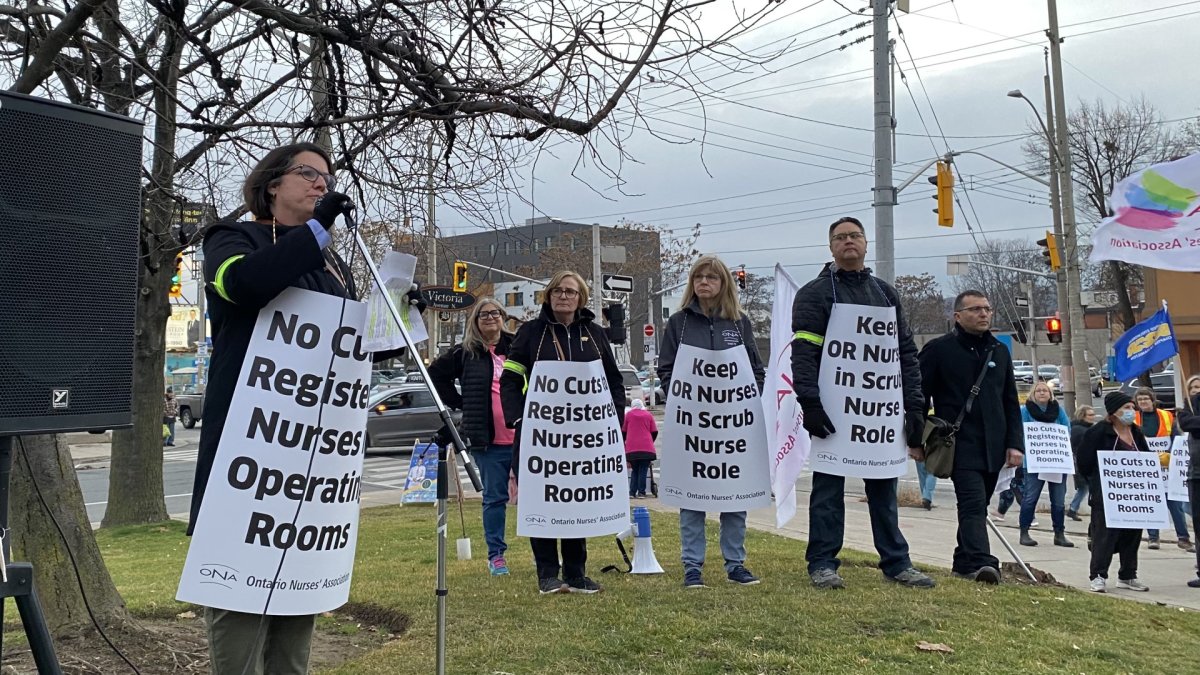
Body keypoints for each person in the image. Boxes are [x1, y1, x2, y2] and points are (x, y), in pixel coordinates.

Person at [192, 142, 423, 674]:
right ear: (273, 184)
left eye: (327, 177)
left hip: (312, 458)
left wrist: (405, 313)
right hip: (250, 451)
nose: (322, 184)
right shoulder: (232, 238)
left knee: (299, 603)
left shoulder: (333, 264)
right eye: (308, 174)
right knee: (241, 601)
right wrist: (316, 231)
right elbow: (245, 286)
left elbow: (354, 343)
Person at [791, 218, 934, 590]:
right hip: (834, 412)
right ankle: (822, 562)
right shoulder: (814, 293)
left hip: (879, 413)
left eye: (854, 236)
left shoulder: (885, 293)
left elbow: (905, 354)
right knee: (827, 492)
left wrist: (915, 408)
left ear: (866, 244)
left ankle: (897, 563)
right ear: (831, 248)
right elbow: (804, 354)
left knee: (884, 490)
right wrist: (811, 404)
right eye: (840, 238)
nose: (848, 242)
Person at [499, 270, 626, 595]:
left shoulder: (595, 334)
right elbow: (511, 379)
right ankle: (547, 574)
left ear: (580, 297)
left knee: (574, 502)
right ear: (549, 296)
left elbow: (613, 381)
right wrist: (517, 419)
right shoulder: (529, 333)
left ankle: (576, 572)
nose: (563, 296)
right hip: (541, 437)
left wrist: (614, 422)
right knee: (543, 500)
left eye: (570, 291)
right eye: (557, 290)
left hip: (584, 439)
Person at [659, 256, 765, 589]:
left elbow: (754, 370)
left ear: (723, 284)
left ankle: (735, 564)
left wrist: (747, 399)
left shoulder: (739, 323)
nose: (704, 282)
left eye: (712, 277)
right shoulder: (679, 322)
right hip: (693, 426)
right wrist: (678, 397)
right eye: (698, 277)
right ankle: (692, 566)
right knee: (692, 498)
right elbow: (667, 369)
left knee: (735, 494)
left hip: (732, 427)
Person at [919, 290, 1023, 585]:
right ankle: (982, 563)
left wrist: (1015, 444)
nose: (983, 314)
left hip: (995, 445)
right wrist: (915, 438)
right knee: (973, 504)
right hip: (958, 443)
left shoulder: (998, 351)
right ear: (958, 316)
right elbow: (918, 395)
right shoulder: (939, 349)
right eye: (976, 309)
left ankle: (963, 560)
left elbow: (1010, 401)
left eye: (987, 309)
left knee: (978, 504)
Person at [429, 299, 515, 576]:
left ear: (503, 317)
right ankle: (496, 555)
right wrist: (462, 402)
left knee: (538, 496)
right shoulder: (465, 353)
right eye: (483, 315)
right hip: (487, 440)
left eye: (494, 313)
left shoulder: (517, 347)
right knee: (494, 498)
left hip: (526, 437)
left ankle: (544, 551)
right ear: (475, 322)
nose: (490, 318)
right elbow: (435, 376)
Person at [1077, 391, 1152, 593]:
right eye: (1126, 408)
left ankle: (1128, 575)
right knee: (1105, 536)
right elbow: (1084, 462)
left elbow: (1145, 459)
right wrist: (1096, 482)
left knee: (1132, 535)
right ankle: (1098, 576)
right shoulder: (1099, 432)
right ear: (1114, 412)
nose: (1131, 411)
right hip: (1106, 495)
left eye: (1132, 407)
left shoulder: (1136, 433)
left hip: (1134, 495)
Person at [1017, 381, 1074, 548]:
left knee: (1058, 500)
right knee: (1030, 498)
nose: (1042, 393)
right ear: (1033, 394)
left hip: (1056, 462)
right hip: (1035, 462)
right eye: (1038, 391)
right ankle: (1024, 531)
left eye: (1045, 391)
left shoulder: (1058, 411)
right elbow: (1020, 431)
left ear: (1050, 394)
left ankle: (1059, 533)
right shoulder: (1025, 411)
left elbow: (1066, 430)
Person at [1136, 387, 1193, 551]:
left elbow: (1176, 437)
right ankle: (1153, 537)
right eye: (1140, 400)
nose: (1143, 402)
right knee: (1152, 503)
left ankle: (1183, 538)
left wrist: (1170, 454)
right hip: (1146, 467)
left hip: (1167, 466)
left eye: (1145, 399)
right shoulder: (1134, 419)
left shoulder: (1166, 416)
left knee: (1174, 504)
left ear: (1152, 400)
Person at [1175, 375, 1200, 588]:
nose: (1197, 390)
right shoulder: (1186, 410)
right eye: (1193, 387)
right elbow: (1187, 423)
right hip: (1196, 475)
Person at [1067, 405, 1097, 522]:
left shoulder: (1085, 428)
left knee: (1084, 488)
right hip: (1080, 463)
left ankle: (1073, 509)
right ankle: (1073, 509)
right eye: (1090, 415)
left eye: (1093, 414)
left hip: (1084, 463)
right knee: (1086, 487)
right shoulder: (1079, 430)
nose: (1093, 417)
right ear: (1082, 416)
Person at [622, 398, 657, 499]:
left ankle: (632, 492)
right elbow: (654, 431)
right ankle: (642, 492)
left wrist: (626, 444)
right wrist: (650, 441)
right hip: (647, 448)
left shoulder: (628, 415)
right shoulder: (648, 415)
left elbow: (623, 431)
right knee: (643, 470)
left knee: (635, 470)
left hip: (632, 448)